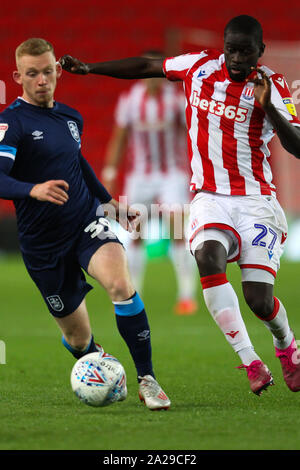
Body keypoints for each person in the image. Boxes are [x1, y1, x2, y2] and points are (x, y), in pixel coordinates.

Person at [60, 14, 300, 395]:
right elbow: (147, 66)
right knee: (206, 255)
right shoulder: (200, 67)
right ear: (224, 46)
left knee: (259, 299)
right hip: (209, 197)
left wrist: (268, 105)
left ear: (260, 51)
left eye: (246, 51)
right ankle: (251, 361)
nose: (237, 58)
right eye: (232, 49)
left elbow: (297, 145)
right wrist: (90, 69)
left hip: (256, 201)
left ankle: (287, 345)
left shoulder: (274, 85)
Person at [0, 38, 170, 411]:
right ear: (18, 77)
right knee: (78, 340)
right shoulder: (11, 124)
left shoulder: (71, 117)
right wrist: (34, 190)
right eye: (32, 74)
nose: (41, 79)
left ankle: (147, 378)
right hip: (42, 245)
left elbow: (79, 165)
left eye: (47, 71)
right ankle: (98, 360)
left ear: (58, 71)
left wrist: (110, 202)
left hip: (85, 221)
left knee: (121, 285)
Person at [102, 50, 198, 315]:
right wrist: (109, 172)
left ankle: (187, 295)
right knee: (135, 233)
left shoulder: (176, 99)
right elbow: (119, 137)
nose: (153, 79)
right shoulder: (130, 100)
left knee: (178, 231)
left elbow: (191, 133)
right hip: (140, 176)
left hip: (172, 174)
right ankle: (136, 294)